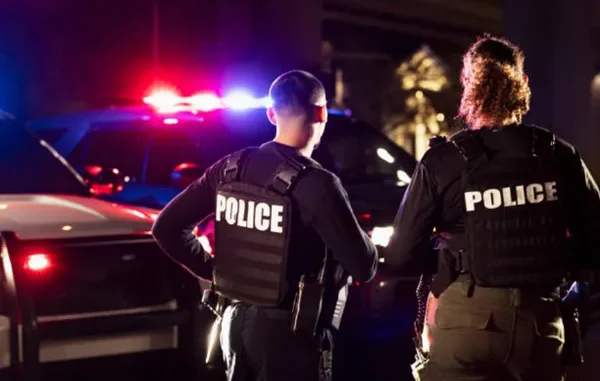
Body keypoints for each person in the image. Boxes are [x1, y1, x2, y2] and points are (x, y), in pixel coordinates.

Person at [386, 35, 600, 381]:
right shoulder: (559, 155)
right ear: (523, 83)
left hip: (465, 321)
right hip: (541, 322)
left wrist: (449, 255)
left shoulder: (444, 162)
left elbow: (399, 256)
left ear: (468, 86)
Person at [152, 70, 378, 381]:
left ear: (272, 114)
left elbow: (166, 228)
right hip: (289, 336)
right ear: (321, 113)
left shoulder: (231, 168)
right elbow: (363, 265)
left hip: (233, 326)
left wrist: (217, 272)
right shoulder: (318, 183)